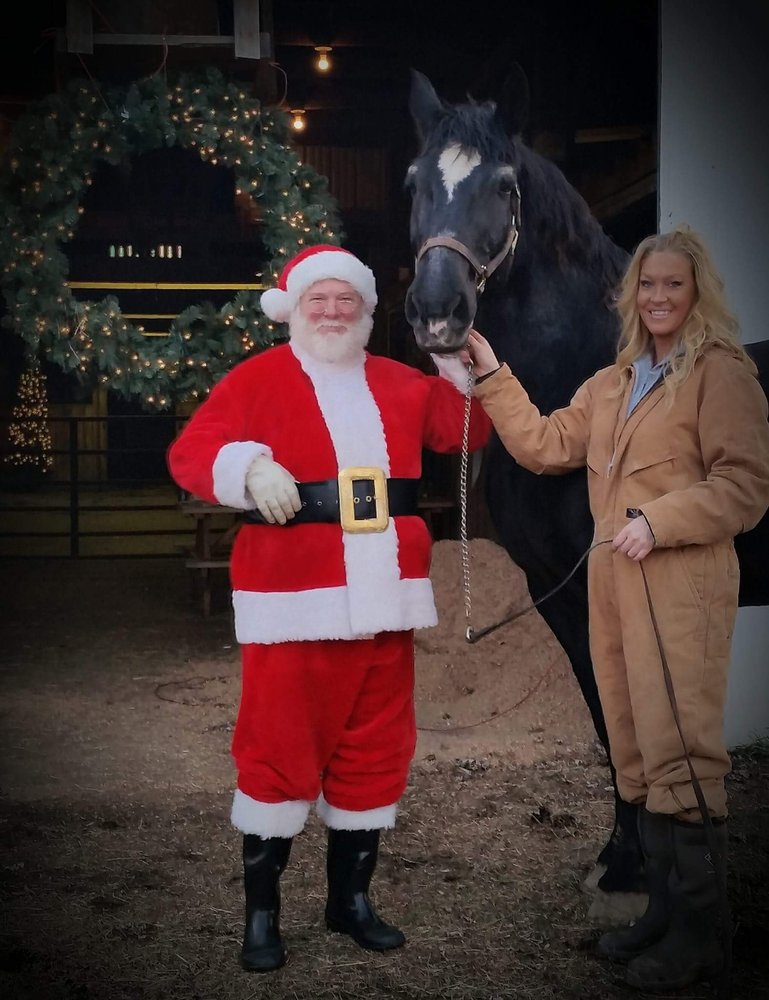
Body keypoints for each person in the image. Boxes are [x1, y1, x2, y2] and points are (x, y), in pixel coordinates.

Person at [450, 227, 769, 993]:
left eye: (673, 286)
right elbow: (542, 443)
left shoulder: (719, 375)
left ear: (697, 295)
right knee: (635, 750)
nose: (657, 298)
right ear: (630, 297)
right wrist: (492, 373)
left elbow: (743, 487)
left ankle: (700, 935)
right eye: (646, 287)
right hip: (615, 591)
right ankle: (661, 913)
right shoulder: (612, 382)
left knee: (681, 756)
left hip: (680, 584)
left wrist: (659, 521)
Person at [167, 244, 490, 972]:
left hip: (385, 603)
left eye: (347, 300)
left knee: (375, 755)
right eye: (319, 300)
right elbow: (191, 452)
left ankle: (349, 904)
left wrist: (456, 361)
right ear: (293, 309)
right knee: (278, 753)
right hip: (295, 605)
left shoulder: (398, 382)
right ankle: (261, 915)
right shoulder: (257, 379)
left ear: (369, 311)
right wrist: (246, 468)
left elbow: (462, 430)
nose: (333, 311)